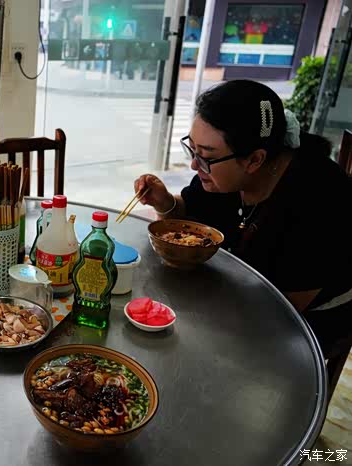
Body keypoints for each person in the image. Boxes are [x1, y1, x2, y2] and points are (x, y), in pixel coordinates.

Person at [135, 80, 352, 358]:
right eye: (193, 149)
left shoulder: (319, 201)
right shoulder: (222, 173)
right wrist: (165, 202)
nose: (195, 164)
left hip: (304, 328)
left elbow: (283, 311)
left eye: (206, 156)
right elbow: (188, 214)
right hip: (238, 291)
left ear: (254, 160)